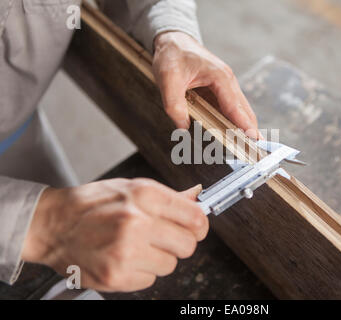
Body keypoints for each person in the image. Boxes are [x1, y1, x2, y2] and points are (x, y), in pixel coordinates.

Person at [0, 0, 259, 292]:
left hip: (17, 135)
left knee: (97, 258)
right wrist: (43, 223)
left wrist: (171, 31)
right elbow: (48, 225)